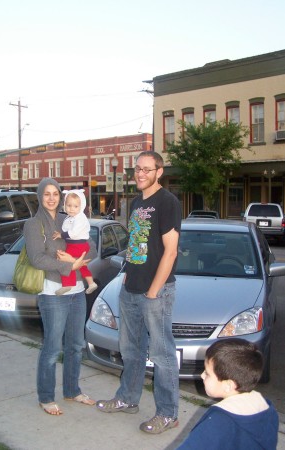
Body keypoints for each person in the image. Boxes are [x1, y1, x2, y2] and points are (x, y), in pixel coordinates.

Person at [96, 151, 182, 435]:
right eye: (137, 169)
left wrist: (154, 291)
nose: (140, 174)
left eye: (147, 169)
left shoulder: (167, 202)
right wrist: (126, 275)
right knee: (131, 350)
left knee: (162, 354)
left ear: (159, 171)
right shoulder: (136, 202)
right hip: (131, 287)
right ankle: (128, 398)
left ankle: (168, 414)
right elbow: (136, 244)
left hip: (155, 292)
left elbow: (170, 251)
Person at [23, 177, 97, 416]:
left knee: (75, 346)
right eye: (47, 194)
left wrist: (78, 257)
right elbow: (37, 258)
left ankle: (72, 390)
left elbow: (92, 247)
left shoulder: (71, 218)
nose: (52, 198)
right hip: (53, 293)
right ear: (40, 196)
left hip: (77, 293)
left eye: (56, 193)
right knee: (53, 348)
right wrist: (69, 266)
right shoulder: (34, 224)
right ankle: (46, 397)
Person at [176, 339, 279, 449]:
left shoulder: (218, 421)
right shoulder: (268, 410)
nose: (202, 375)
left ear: (228, 385)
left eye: (207, 373)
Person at [52, 189, 97, 296]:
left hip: (78, 244)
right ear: (64, 205)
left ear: (81, 206)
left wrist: (61, 235)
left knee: (65, 261)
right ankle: (91, 283)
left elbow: (73, 233)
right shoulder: (70, 217)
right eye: (69, 205)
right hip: (77, 244)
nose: (71, 209)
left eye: (75, 206)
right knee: (82, 266)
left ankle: (68, 284)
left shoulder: (80, 218)